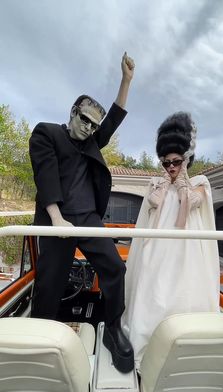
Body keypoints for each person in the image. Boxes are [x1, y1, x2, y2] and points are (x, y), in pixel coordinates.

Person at [29, 52, 135, 373]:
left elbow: (113, 119)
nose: (89, 128)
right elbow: (45, 174)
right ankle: (40, 342)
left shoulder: (91, 142)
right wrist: (57, 217)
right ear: (73, 113)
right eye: (85, 120)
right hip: (56, 220)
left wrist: (126, 80)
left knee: (115, 267)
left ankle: (113, 329)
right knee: (50, 283)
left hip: (88, 218)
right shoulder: (47, 133)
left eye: (94, 125)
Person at [122, 111, 220, 369]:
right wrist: (165, 183)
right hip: (157, 254)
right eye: (166, 162)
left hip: (187, 257)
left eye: (177, 161)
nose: (171, 167)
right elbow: (152, 211)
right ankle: (149, 362)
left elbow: (187, 210)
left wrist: (182, 180)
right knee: (153, 300)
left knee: (184, 303)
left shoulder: (199, 183)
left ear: (187, 159)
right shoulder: (156, 184)